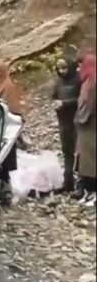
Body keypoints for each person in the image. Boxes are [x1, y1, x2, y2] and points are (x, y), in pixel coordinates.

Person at [0, 61, 24, 205]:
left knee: (4, 163)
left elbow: (13, 109)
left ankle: (6, 193)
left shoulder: (7, 87)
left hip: (6, 130)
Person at [52, 57, 81, 193]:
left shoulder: (79, 80)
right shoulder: (58, 81)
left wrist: (65, 103)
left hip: (77, 120)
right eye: (59, 68)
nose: (62, 71)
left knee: (80, 153)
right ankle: (68, 182)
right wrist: (55, 102)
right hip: (63, 120)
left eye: (64, 68)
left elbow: (82, 100)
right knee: (67, 151)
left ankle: (83, 184)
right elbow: (54, 95)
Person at [75, 53, 96, 205]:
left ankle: (94, 192)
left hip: (91, 125)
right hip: (85, 126)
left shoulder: (93, 81)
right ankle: (88, 191)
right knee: (84, 160)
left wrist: (82, 117)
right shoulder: (87, 80)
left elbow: (91, 104)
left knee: (92, 161)